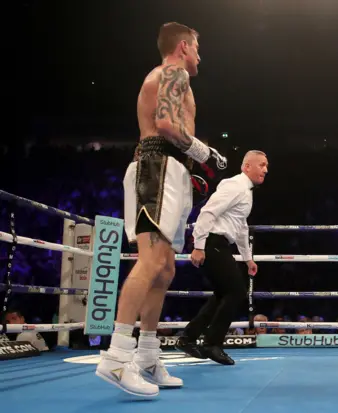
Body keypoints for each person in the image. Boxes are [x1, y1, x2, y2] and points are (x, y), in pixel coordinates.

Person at [96, 22, 227, 398]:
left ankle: (148, 356)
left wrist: (190, 168)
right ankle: (118, 356)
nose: (200, 57)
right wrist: (204, 153)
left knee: (166, 267)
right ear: (183, 47)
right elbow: (165, 123)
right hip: (156, 170)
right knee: (151, 261)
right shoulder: (173, 72)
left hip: (169, 172)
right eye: (198, 49)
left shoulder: (173, 76)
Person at [176, 150, 268, 365]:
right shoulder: (235, 186)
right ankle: (211, 343)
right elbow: (207, 212)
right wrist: (199, 246)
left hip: (219, 244)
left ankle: (188, 338)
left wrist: (248, 259)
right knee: (235, 292)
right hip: (211, 242)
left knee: (222, 295)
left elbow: (241, 227)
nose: (265, 170)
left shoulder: (246, 191)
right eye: (261, 165)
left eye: (266, 166)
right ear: (247, 166)